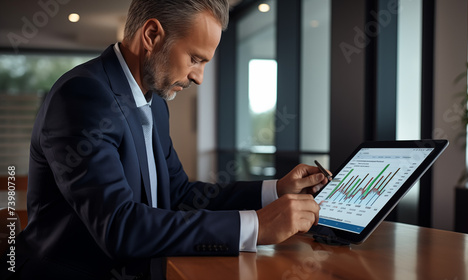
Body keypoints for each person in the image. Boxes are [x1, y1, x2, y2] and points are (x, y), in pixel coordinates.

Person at [3, 0, 327, 279]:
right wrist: (255, 226)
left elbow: (179, 194)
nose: (199, 77)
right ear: (152, 35)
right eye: (195, 59)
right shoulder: (83, 95)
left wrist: (275, 191)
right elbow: (120, 226)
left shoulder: (154, 102)